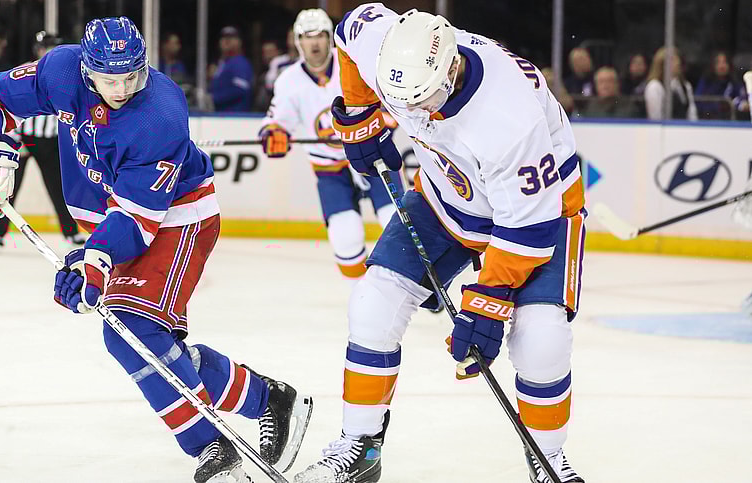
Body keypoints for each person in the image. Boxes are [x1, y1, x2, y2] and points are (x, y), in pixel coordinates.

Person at [0, 16, 312, 483]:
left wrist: (95, 259)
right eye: (109, 79)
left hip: (177, 217)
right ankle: (268, 399)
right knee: (146, 342)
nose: (121, 90)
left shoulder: (160, 113)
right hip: (115, 221)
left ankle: (213, 447)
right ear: (87, 70)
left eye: (131, 76)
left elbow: (137, 222)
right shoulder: (61, 70)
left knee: (131, 330)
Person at [295, 5, 586, 483]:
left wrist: (487, 304)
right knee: (372, 303)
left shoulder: (509, 118)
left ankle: (548, 457)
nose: (412, 114)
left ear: (451, 69)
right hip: (447, 193)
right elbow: (348, 31)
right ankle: (360, 444)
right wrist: (361, 112)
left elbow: (527, 229)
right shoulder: (388, 46)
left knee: (540, 338)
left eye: (421, 100)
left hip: (542, 210)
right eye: (400, 103)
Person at [259, 8, 400, 286]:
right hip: (330, 169)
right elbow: (276, 122)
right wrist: (273, 134)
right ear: (297, 42)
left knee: (396, 223)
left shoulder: (353, 61)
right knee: (345, 236)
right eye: (307, 37)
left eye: (320, 35)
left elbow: (388, 98)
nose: (314, 43)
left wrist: (388, 115)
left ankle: (420, 287)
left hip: (373, 157)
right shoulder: (288, 81)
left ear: (329, 38)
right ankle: (362, 295)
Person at [0, 31, 86, 252]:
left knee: (60, 188)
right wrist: (14, 138)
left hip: (52, 140)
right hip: (24, 139)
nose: (50, 51)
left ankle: (71, 231)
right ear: (38, 50)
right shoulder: (25, 72)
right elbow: (10, 104)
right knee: (8, 186)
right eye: (47, 47)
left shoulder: (68, 74)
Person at [644, 46, 697, 120]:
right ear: (662, 64)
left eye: (677, 59)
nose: (678, 63)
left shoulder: (685, 86)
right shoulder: (655, 86)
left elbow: (692, 114)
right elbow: (655, 118)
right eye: (673, 60)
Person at [209, 26, 253, 111]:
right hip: (220, 114)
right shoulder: (223, 63)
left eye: (231, 38)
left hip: (235, 115)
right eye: (224, 38)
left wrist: (213, 98)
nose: (226, 41)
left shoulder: (240, 62)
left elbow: (239, 90)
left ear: (240, 42)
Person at [695, 51, 746, 120]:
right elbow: (698, 101)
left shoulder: (733, 82)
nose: (722, 66)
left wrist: (740, 105)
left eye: (724, 62)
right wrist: (718, 106)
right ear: (713, 65)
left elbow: (741, 98)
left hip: (729, 120)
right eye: (718, 62)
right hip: (708, 120)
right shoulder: (706, 81)